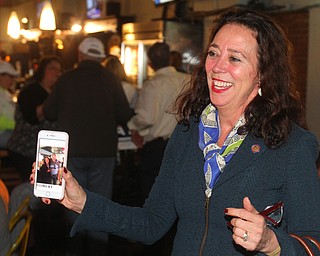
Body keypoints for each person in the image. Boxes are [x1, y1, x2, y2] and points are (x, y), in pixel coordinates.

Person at [31, 7, 320, 256]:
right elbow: (151, 222)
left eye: (235, 59)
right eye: (213, 53)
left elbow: (312, 244)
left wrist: (272, 243)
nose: (217, 67)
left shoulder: (292, 145)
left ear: (264, 75)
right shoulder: (187, 134)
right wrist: (81, 200)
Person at [42, 36, 133, 255]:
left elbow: (49, 112)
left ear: (80, 55)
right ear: (100, 57)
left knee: (72, 204)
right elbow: (123, 114)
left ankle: (73, 250)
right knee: (100, 206)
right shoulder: (110, 78)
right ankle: (97, 251)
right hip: (103, 152)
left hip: (71, 152)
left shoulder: (66, 79)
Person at [128, 42, 189, 205]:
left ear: (150, 63)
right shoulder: (188, 81)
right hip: (185, 144)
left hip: (157, 148)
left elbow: (146, 118)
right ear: (170, 58)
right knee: (177, 192)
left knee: (152, 196)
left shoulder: (153, 84)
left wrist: (132, 126)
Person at [7, 56, 62, 181]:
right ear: (43, 70)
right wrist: (53, 99)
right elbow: (32, 116)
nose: (56, 72)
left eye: (59, 70)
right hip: (26, 148)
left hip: (47, 150)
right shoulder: (31, 90)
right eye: (52, 68)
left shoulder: (55, 92)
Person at [0, 62, 18, 149]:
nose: (12, 80)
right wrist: (18, 125)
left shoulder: (5, 92)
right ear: (1, 76)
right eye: (10, 77)